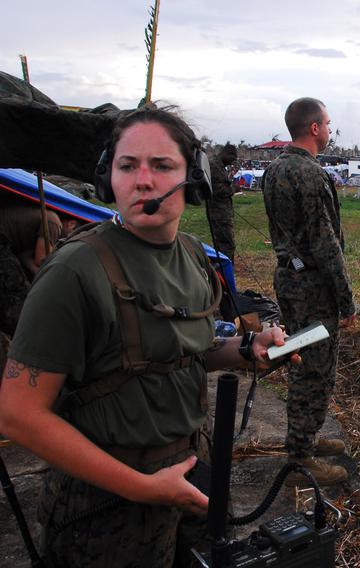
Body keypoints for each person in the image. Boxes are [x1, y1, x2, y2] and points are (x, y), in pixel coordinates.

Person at [0, 106, 298, 567]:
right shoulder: (73, 272)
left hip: (190, 474)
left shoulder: (193, 256)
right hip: (105, 508)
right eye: (127, 165)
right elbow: (18, 413)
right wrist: (142, 487)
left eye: (161, 166)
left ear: (194, 178)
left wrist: (243, 350)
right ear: (107, 178)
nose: (143, 181)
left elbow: (182, 353)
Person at [261, 98, 355, 487]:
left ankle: (308, 438)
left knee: (303, 360)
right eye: (328, 124)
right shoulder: (310, 174)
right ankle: (300, 455)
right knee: (312, 370)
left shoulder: (274, 170)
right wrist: (345, 298)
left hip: (289, 279)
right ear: (314, 128)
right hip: (313, 285)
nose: (330, 131)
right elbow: (325, 242)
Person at [0, 204, 78, 337]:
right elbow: (42, 261)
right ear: (71, 224)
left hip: (6, 245)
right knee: (19, 302)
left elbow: (25, 259)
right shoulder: (54, 222)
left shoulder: (35, 227)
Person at [207, 143, 238, 263]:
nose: (232, 162)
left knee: (222, 244)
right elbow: (218, 190)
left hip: (221, 211)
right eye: (232, 158)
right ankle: (226, 270)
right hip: (218, 213)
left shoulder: (218, 165)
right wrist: (234, 189)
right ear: (227, 154)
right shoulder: (214, 166)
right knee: (226, 245)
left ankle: (221, 269)